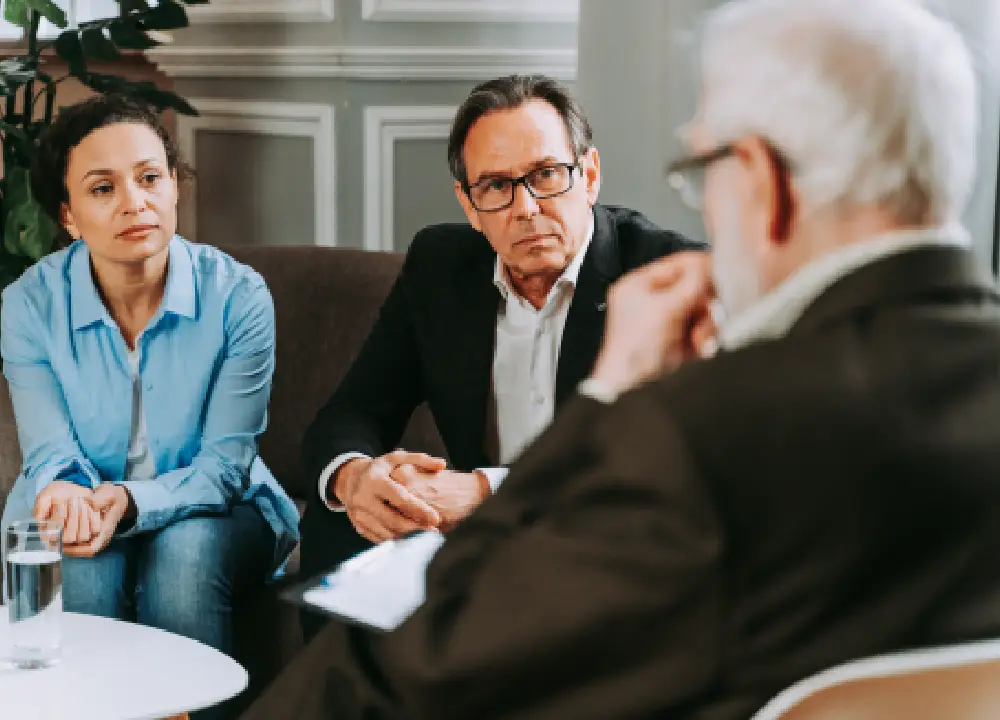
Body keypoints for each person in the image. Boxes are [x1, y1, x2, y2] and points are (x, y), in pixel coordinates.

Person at [240, 0, 1000, 718]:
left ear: (761, 179)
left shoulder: (700, 430)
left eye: (703, 171)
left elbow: (433, 658)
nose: (527, 206)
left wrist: (605, 401)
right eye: (498, 188)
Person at [298, 75, 705, 587]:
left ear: (590, 175)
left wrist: (483, 493)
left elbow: (667, 470)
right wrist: (355, 478)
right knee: (341, 521)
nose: (526, 208)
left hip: (604, 539)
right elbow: (353, 410)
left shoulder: (665, 275)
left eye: (547, 174)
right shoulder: (439, 267)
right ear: (469, 205)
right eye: (495, 186)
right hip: (481, 545)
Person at [0, 94, 299, 717]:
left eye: (149, 178)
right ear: (68, 215)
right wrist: (70, 496)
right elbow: (50, 453)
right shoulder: (28, 304)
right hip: (80, 506)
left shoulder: (239, 298)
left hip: (217, 508)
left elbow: (223, 468)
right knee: (81, 564)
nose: (135, 202)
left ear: (174, 187)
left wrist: (133, 502)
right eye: (102, 188)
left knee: (183, 558)